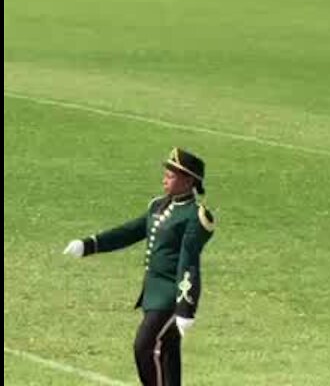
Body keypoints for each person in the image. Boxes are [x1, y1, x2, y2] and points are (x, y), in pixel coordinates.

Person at [61, 149, 215, 386]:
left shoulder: (195, 216)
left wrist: (186, 306)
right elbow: (130, 232)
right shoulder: (158, 206)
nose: (164, 179)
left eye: (170, 176)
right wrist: (90, 245)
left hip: (171, 297)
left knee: (144, 346)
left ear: (188, 180)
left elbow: (188, 261)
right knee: (167, 353)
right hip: (152, 294)